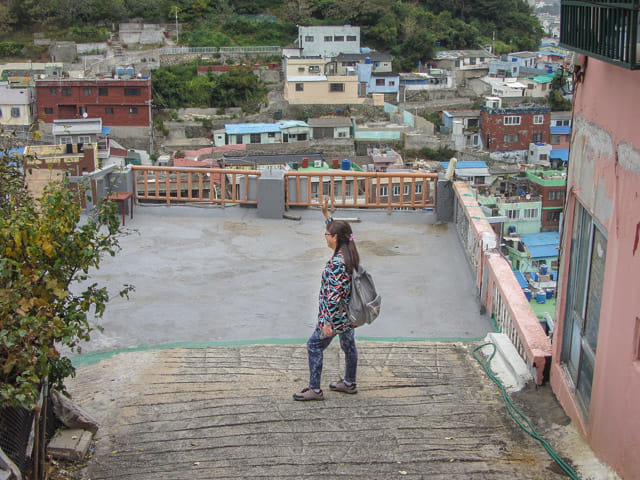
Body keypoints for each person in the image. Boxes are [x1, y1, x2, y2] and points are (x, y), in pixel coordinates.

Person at [293, 196, 360, 401]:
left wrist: (327, 322)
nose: (325, 237)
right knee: (348, 345)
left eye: (327, 234)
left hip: (334, 316)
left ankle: (315, 389)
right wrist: (326, 216)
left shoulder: (337, 264)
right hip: (347, 314)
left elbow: (333, 295)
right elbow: (343, 231)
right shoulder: (349, 251)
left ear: (335, 238)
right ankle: (349, 382)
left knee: (314, 346)